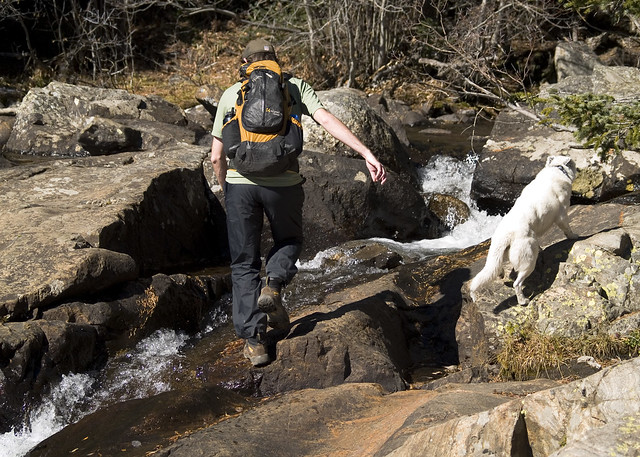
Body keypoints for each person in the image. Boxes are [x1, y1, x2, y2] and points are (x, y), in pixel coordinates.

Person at [210, 38, 387, 366]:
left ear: (246, 63)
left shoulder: (232, 93)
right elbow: (326, 120)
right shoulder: (292, 86)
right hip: (284, 184)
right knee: (289, 240)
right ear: (275, 60)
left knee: (243, 263)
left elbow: (217, 155)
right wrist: (366, 153)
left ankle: (255, 344)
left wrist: (227, 188)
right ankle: (274, 284)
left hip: (240, 186)